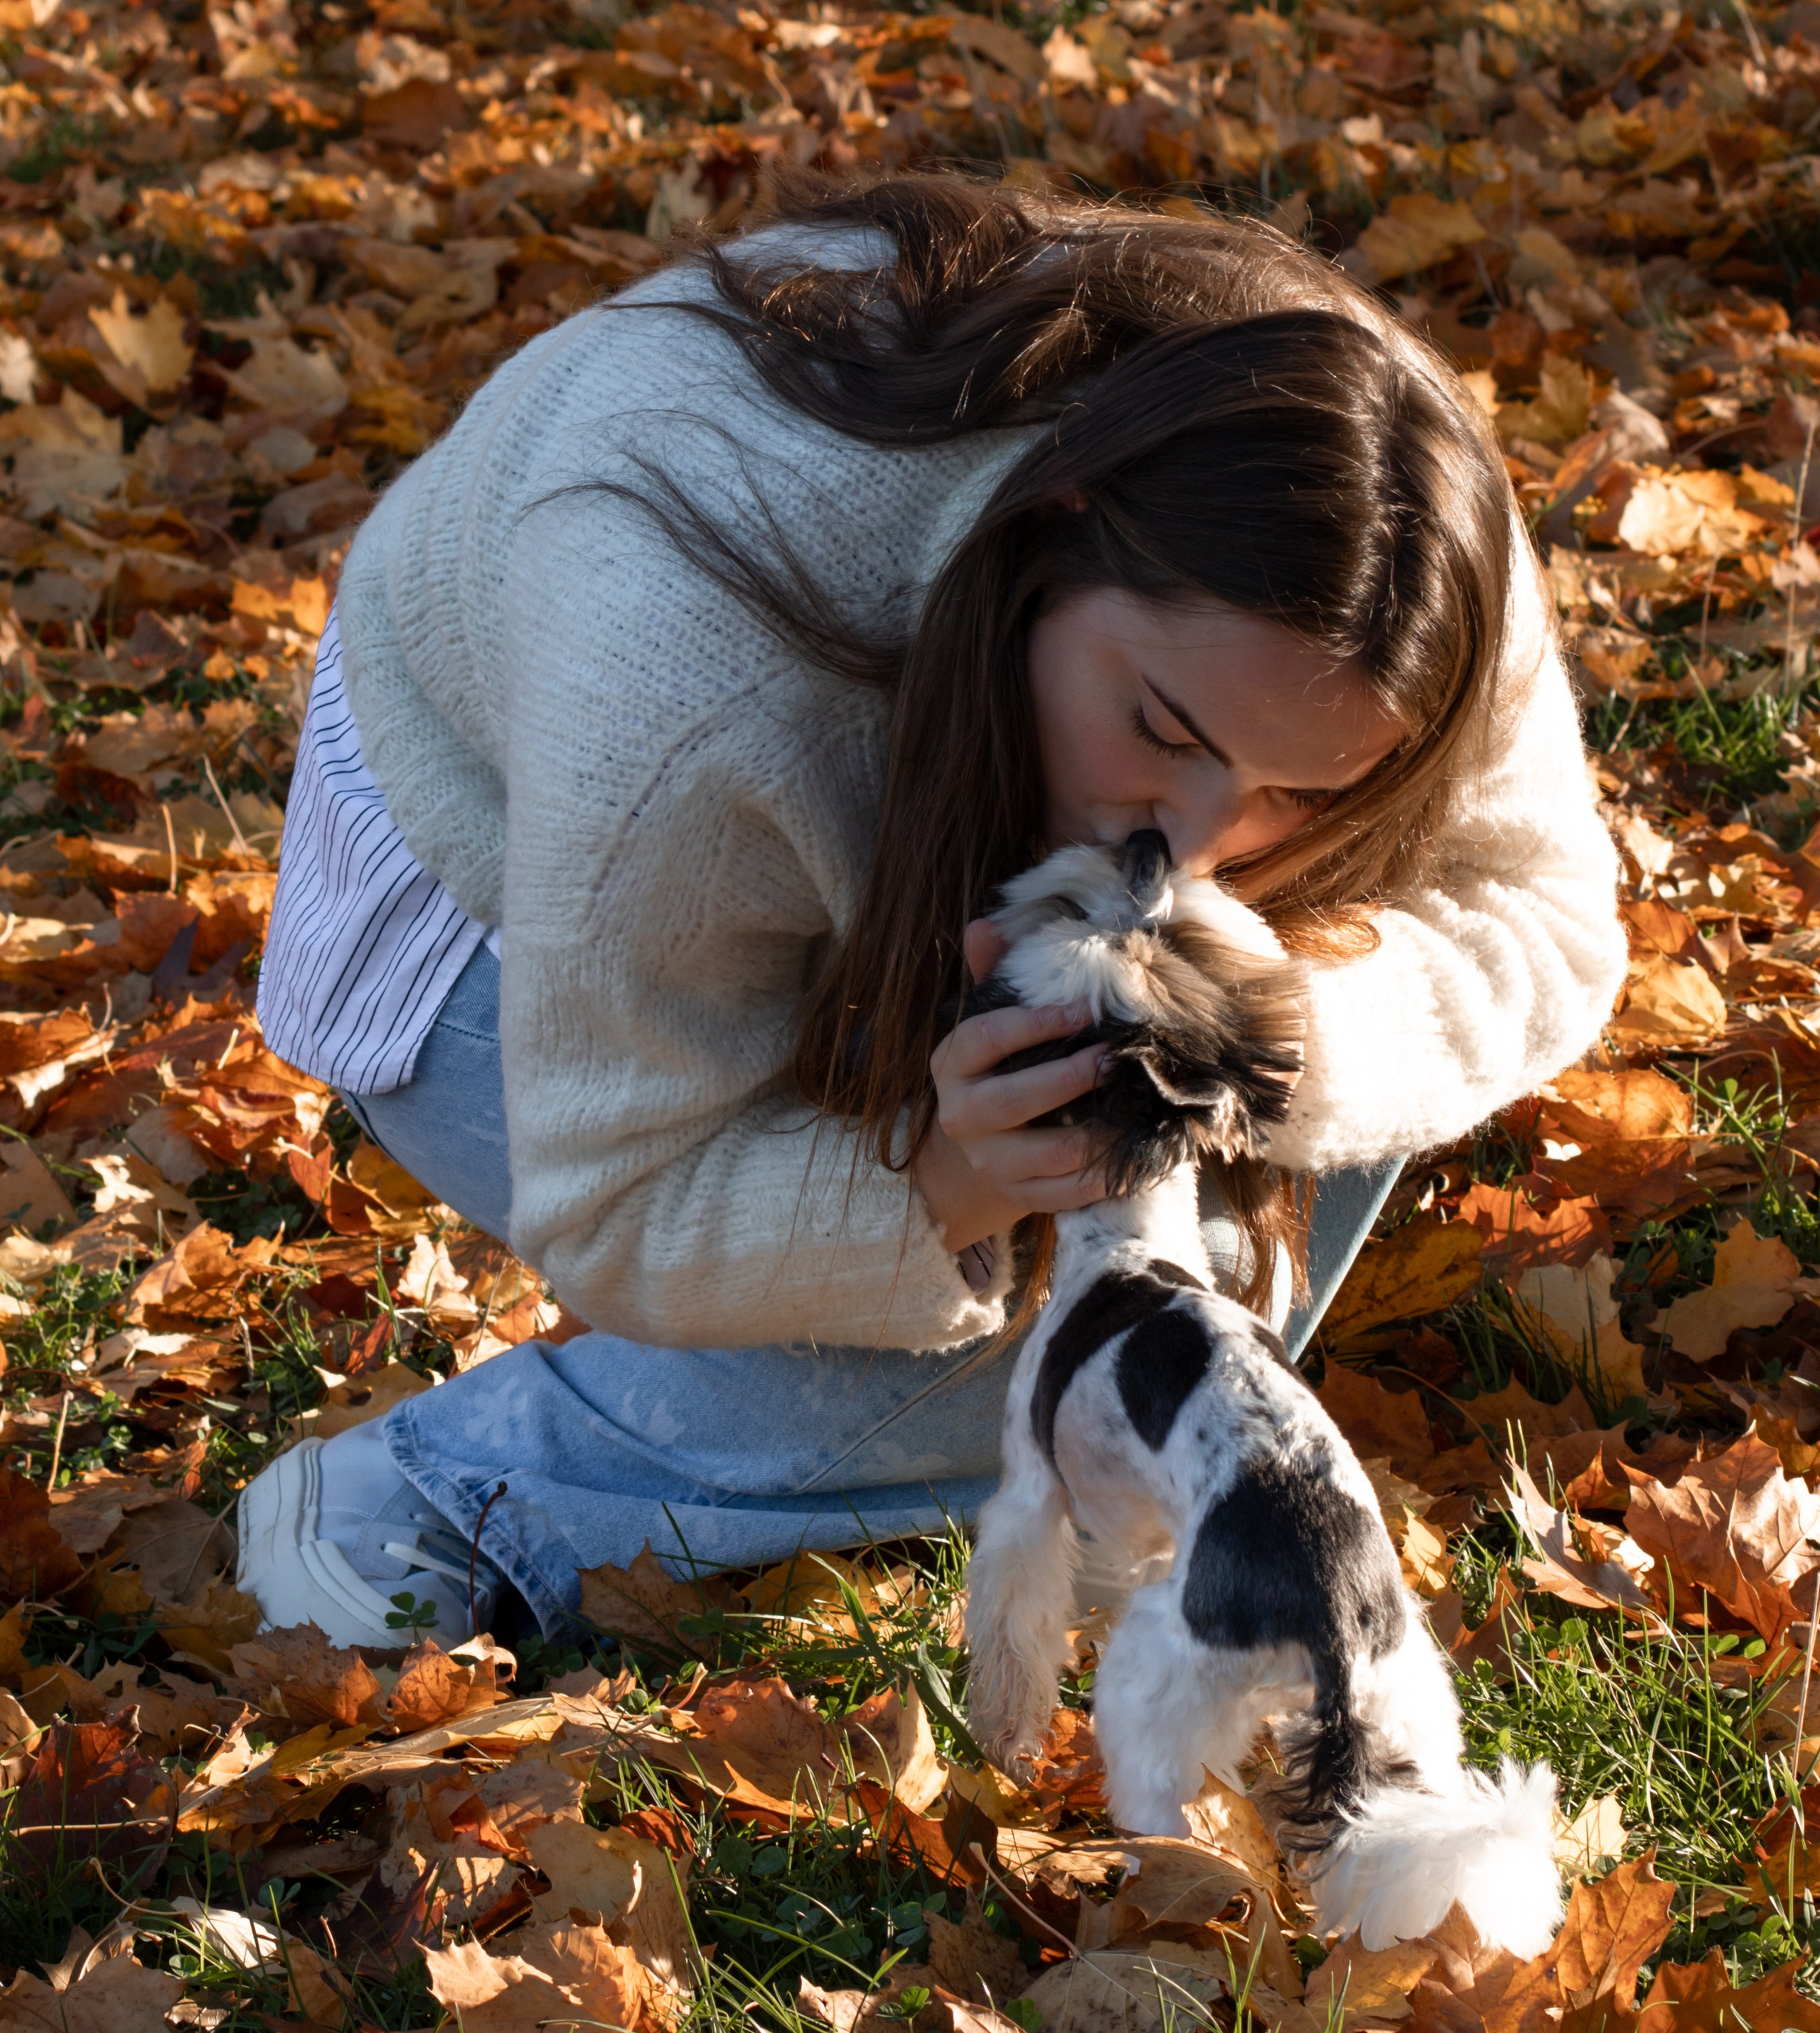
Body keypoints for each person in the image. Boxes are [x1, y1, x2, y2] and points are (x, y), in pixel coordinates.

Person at [239, 174, 1626, 1648]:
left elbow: (1536, 916)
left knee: (1216, 1215)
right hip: (477, 889)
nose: (1195, 845)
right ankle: (447, 1492)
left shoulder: (1392, 520)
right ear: (1058, 527)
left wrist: (1268, 1032)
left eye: (1297, 790)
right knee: (1064, 1324)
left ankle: (1029, 1444)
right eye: (1161, 728)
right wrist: (943, 1191)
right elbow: (622, 1194)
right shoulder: (687, 664)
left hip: (828, 821)